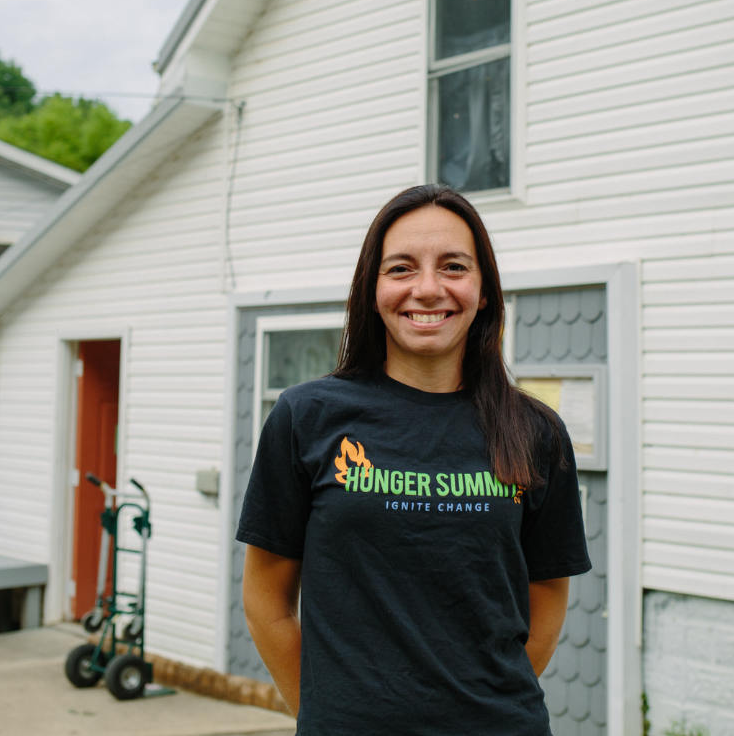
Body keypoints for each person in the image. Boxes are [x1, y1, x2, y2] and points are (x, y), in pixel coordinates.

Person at [237, 184, 591, 735]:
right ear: (371, 289)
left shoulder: (536, 432)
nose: (428, 289)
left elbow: (547, 593)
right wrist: (325, 714)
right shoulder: (306, 417)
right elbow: (266, 599)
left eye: (453, 266)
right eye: (401, 268)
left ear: (484, 291)